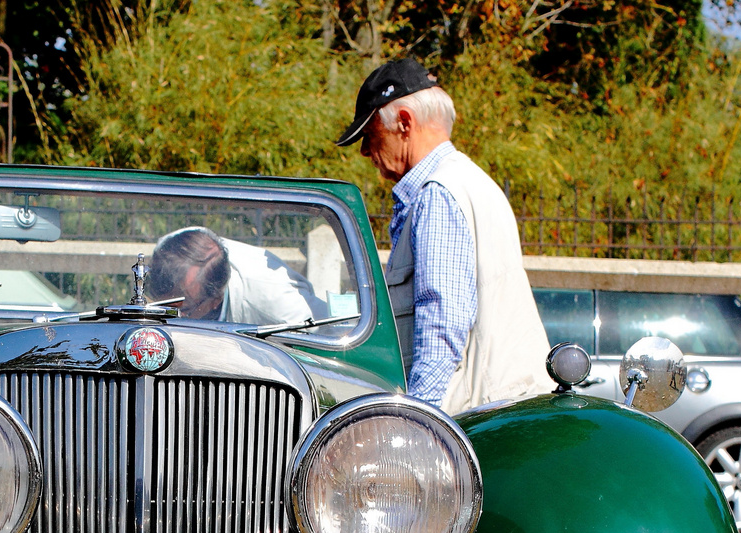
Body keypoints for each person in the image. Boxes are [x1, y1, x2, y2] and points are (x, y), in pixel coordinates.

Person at [337, 58, 552, 413]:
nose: (364, 151)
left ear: (404, 123)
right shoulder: (469, 181)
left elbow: (441, 330)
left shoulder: (439, 194)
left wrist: (413, 421)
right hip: (498, 415)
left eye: (369, 135)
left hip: (473, 423)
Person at [150, 226, 326, 325]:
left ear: (215, 301)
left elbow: (332, 332)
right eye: (162, 307)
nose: (168, 318)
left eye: (182, 310)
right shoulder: (169, 248)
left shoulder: (281, 307)